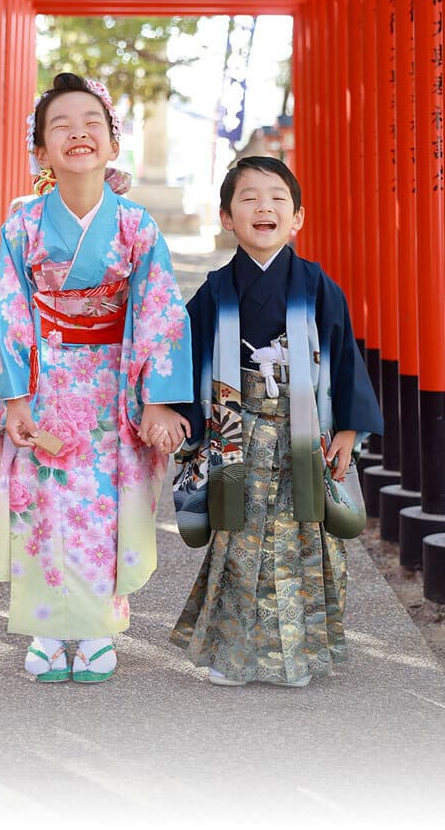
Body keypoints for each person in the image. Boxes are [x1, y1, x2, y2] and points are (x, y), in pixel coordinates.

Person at [0, 72, 192, 684]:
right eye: (61, 127)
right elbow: (9, 305)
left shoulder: (135, 225)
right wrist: (15, 395)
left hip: (113, 383)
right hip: (46, 380)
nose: (79, 134)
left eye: (91, 123)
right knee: (43, 501)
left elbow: (160, 309)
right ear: (41, 152)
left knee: (107, 504)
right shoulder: (22, 224)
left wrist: (158, 400)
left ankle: (99, 625)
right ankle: (48, 626)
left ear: (112, 142)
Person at [170, 156, 383, 687]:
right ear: (226, 217)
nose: (263, 206)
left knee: (302, 542)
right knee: (236, 542)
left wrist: (348, 432)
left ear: (297, 219)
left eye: (277, 198)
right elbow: (185, 359)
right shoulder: (215, 292)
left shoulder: (315, 284)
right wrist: (179, 421)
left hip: (301, 435)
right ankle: (234, 656)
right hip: (235, 434)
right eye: (248, 198)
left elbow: (344, 354)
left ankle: (298, 657)